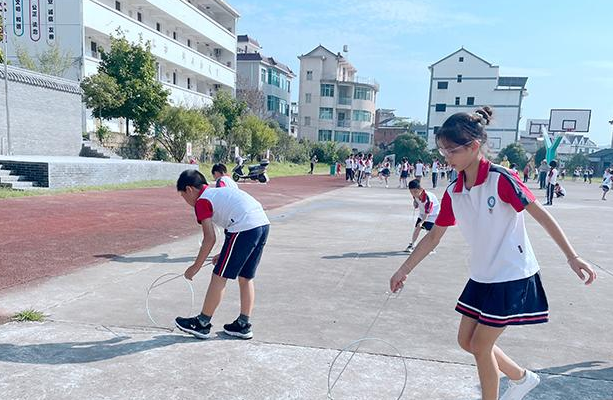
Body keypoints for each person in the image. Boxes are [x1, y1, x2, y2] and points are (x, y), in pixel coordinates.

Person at [390, 106, 596, 400]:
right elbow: (434, 235)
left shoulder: (501, 180)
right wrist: (404, 269)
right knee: (466, 340)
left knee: (481, 346)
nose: (445, 157)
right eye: (442, 151)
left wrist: (572, 256)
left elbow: (541, 215)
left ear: (474, 147)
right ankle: (522, 378)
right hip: (483, 273)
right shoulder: (454, 191)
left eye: (451, 151)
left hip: (512, 273)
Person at [174, 170, 271, 340]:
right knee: (246, 277)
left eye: (183, 196)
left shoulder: (202, 201)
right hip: (262, 224)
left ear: (189, 190)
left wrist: (195, 267)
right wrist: (224, 253)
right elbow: (231, 219)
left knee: (219, 275)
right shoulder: (218, 192)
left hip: (244, 227)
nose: (186, 201)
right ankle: (243, 324)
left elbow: (209, 238)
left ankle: (202, 323)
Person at [404, 179, 439, 253]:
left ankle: (431, 248)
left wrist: (422, 222)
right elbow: (416, 201)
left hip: (432, 215)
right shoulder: (415, 195)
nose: (413, 194)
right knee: (417, 228)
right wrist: (415, 203)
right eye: (411, 192)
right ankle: (413, 244)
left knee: (429, 231)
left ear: (421, 189)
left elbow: (428, 212)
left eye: (415, 192)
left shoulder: (428, 198)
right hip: (423, 213)